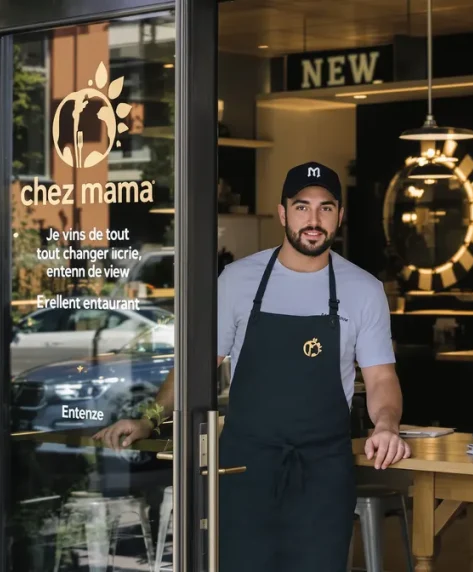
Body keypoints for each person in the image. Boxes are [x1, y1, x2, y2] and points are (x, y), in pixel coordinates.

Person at [93, 160, 410, 570]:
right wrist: (149, 420)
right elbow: (198, 366)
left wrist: (386, 425)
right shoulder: (238, 280)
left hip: (322, 472)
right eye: (301, 206)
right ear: (282, 213)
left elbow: (382, 377)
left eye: (326, 207)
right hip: (244, 468)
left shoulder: (363, 289)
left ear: (340, 215)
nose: (313, 219)